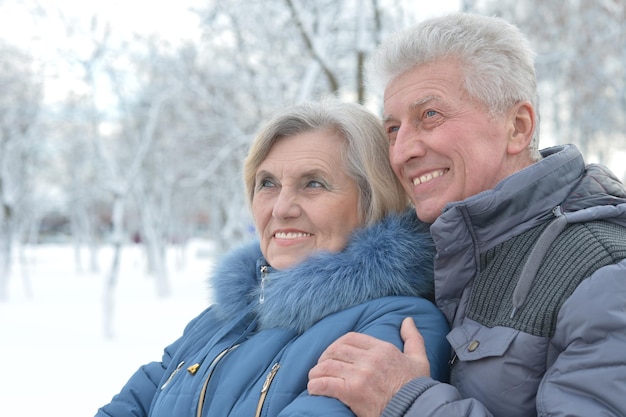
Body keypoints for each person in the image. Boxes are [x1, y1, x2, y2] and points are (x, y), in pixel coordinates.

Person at [307, 12, 626, 417]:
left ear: (517, 126)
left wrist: (405, 402)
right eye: (392, 129)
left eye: (430, 116)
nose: (402, 151)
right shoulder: (436, 254)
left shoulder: (606, 275)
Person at [95, 100, 450, 417]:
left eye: (313, 183)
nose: (281, 208)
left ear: (373, 199)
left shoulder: (396, 324)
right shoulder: (228, 313)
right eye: (267, 183)